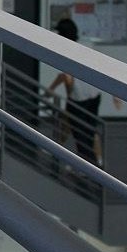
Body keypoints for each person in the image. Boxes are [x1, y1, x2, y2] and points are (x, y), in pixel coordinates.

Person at [49, 17, 104, 164]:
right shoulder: (88, 45)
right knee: (90, 131)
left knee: (80, 135)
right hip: (95, 95)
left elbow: (67, 79)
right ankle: (96, 162)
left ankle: (88, 166)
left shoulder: (66, 51)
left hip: (78, 98)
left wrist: (69, 98)